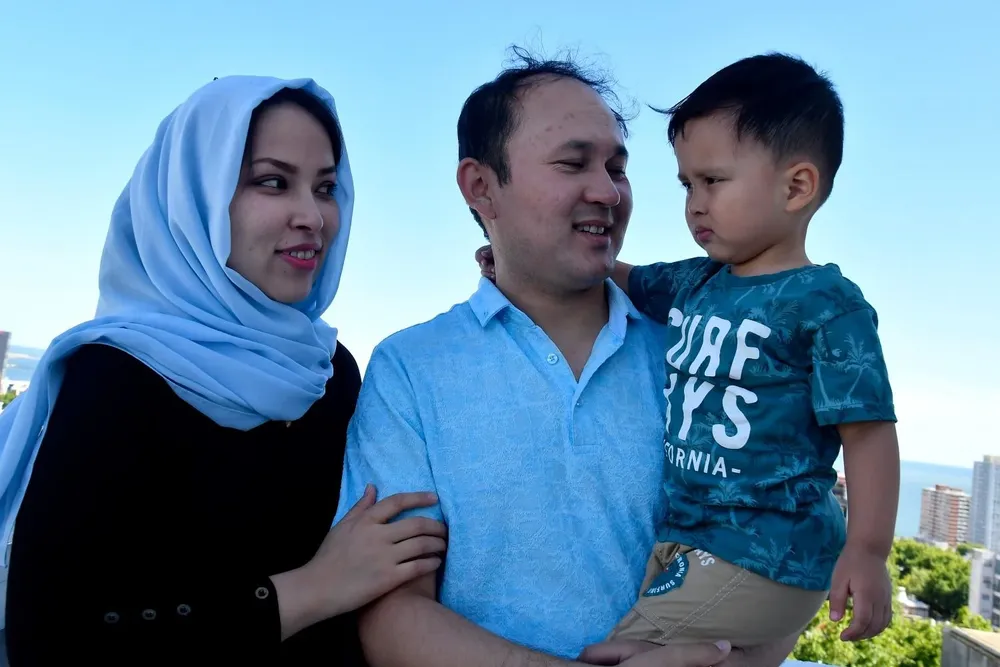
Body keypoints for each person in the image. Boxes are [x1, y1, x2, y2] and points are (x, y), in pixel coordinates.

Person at [336, 48, 798, 667]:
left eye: (617, 167)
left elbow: (781, 544)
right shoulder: (409, 370)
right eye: (572, 162)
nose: (607, 191)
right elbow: (392, 618)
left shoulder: (702, 351)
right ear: (481, 187)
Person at [0, 75, 446, 665]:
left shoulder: (329, 371)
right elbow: (51, 635)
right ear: (194, 198)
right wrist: (306, 591)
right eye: (272, 182)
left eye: (326, 187)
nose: (313, 216)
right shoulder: (118, 376)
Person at [479, 53, 900, 663]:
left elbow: (868, 435)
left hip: (766, 546)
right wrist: (509, 258)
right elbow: (617, 274)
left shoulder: (827, 306)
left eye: (714, 181)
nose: (694, 204)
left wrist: (868, 551)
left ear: (797, 186)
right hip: (696, 542)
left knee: (616, 652)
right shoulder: (695, 283)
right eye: (686, 185)